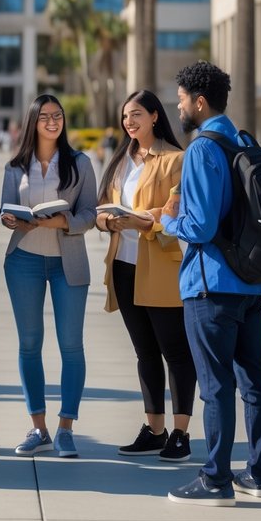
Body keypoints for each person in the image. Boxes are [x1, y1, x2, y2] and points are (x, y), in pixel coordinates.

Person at [161, 61, 261, 506]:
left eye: (181, 99)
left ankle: (215, 480)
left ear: (199, 101)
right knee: (256, 381)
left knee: (214, 387)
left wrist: (168, 221)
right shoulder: (244, 141)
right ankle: (260, 475)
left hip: (210, 286)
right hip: (252, 283)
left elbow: (202, 225)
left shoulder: (203, 148)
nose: (179, 106)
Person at [95, 90, 196, 462]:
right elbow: (101, 208)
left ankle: (181, 434)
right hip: (122, 266)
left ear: (155, 116)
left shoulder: (175, 159)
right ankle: (155, 429)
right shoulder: (121, 159)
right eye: (125, 116)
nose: (129, 122)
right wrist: (108, 220)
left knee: (176, 353)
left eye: (136, 114)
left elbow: (174, 213)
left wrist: (141, 220)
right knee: (145, 353)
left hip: (161, 268)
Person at [0, 94, 97, 458]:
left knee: (71, 345)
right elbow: (4, 211)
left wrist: (64, 221)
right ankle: (38, 428)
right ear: (33, 122)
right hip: (23, 259)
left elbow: (90, 213)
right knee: (29, 344)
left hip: (67, 263)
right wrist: (11, 218)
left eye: (57, 116)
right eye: (45, 117)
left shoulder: (80, 163)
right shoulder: (14, 166)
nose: (52, 122)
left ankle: (66, 428)